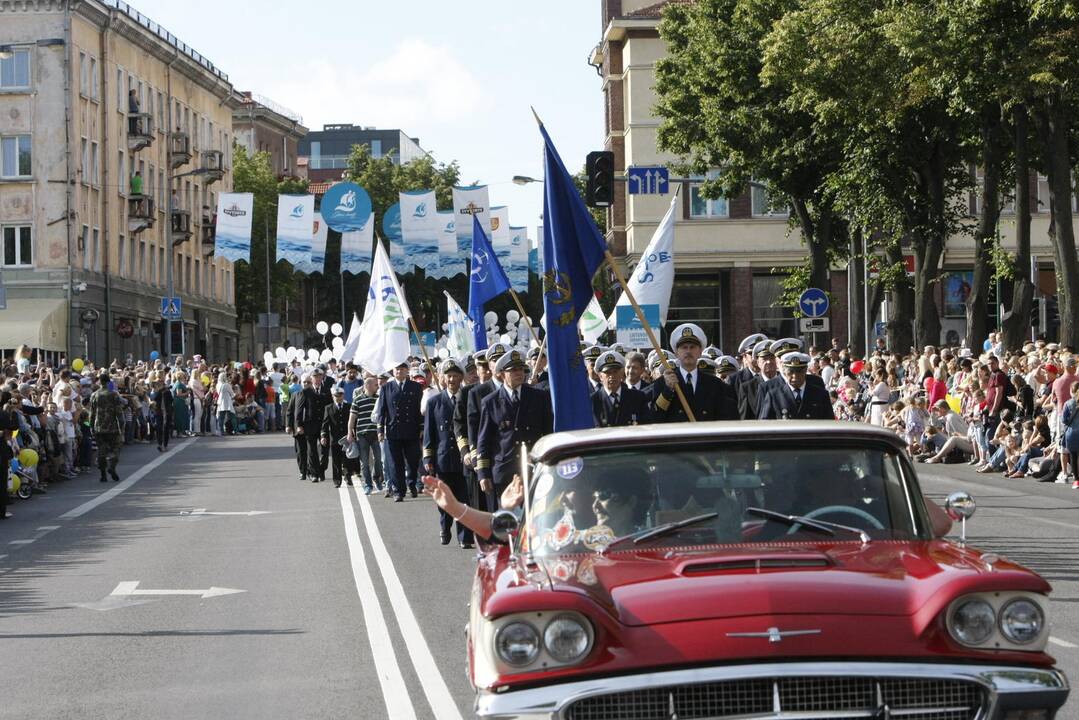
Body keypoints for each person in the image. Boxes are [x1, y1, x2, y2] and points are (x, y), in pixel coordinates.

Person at [476, 349, 553, 508]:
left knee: (534, 517)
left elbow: (548, 433)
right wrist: (483, 473)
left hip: (533, 467)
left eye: (521, 369)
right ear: (502, 374)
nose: (519, 373)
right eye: (513, 370)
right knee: (507, 521)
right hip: (504, 470)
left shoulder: (538, 397)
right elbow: (484, 440)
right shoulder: (491, 402)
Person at [423, 359, 474, 548]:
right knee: (444, 499)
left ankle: (464, 537)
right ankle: (445, 526)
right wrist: (428, 457)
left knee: (464, 499)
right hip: (443, 458)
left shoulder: (468, 398)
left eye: (455, 375)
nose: (452, 379)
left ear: (461, 377)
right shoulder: (434, 402)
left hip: (464, 459)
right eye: (448, 376)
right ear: (443, 378)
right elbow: (430, 433)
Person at [649, 323, 738, 422]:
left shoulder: (714, 384)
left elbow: (725, 417)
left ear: (700, 352)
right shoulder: (662, 383)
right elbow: (655, 416)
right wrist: (668, 390)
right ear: (676, 353)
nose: (688, 351)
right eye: (684, 347)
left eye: (692, 347)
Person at [378, 360, 424, 501]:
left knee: (412, 460)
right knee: (395, 462)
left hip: (412, 430)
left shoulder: (415, 387)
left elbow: (419, 409)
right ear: (393, 371)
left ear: (407, 371)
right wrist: (380, 429)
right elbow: (382, 409)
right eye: (397, 369)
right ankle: (398, 491)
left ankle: (411, 484)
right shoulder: (386, 388)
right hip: (393, 430)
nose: (399, 371)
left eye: (403, 369)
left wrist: (421, 427)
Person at [758, 352, 836, 420]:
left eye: (799, 372)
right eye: (790, 372)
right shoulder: (774, 396)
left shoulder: (821, 395)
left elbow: (829, 423)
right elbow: (765, 424)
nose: (795, 376)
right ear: (784, 372)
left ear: (805, 370)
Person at [591, 351, 650, 427]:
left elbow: (647, 427)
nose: (612, 376)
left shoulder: (638, 398)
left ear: (622, 373)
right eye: (608, 372)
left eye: (615, 372)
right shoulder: (592, 401)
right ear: (600, 376)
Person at [347, 374, 383, 494]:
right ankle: (368, 484)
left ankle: (377, 478)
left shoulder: (378, 399)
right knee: (364, 461)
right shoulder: (357, 400)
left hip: (376, 433)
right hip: (362, 434)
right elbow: (352, 418)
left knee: (378, 458)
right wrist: (349, 433)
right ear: (368, 385)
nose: (377, 387)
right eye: (375, 385)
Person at [89, 371, 124, 482]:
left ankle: (103, 474)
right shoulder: (113, 394)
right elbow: (119, 412)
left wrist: (91, 426)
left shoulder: (94, 395)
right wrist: (121, 426)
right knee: (116, 448)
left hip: (98, 427)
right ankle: (111, 467)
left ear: (100, 382)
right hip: (112, 427)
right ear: (108, 381)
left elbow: (92, 413)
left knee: (101, 451)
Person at [292, 373, 326, 483]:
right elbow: (299, 410)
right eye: (306, 382)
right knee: (312, 450)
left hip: (321, 425)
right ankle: (314, 474)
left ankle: (320, 471)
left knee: (323, 451)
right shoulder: (303, 393)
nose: (308, 384)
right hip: (309, 425)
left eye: (309, 382)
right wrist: (299, 425)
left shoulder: (323, 391)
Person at [737, 340, 778, 420]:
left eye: (772, 358)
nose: (769, 362)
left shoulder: (785, 383)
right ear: (757, 362)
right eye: (764, 359)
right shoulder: (748, 388)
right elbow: (744, 419)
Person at [321, 386, 352, 488]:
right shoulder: (328, 408)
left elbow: (353, 422)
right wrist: (324, 436)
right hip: (335, 439)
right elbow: (325, 424)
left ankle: (348, 476)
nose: (338, 398)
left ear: (343, 396)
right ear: (332, 396)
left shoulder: (349, 406)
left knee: (347, 458)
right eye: (336, 396)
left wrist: (353, 434)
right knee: (336, 460)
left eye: (340, 395)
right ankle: (337, 480)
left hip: (347, 437)